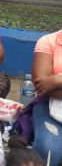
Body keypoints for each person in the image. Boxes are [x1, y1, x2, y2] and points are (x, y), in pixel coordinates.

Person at [30, 29, 62, 165]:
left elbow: (49, 83)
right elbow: (42, 85)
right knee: (48, 147)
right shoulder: (49, 41)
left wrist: (56, 81)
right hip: (48, 105)